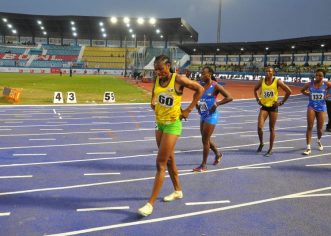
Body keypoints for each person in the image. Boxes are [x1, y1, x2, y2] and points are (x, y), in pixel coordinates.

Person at [138, 55, 204, 217]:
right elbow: (155, 92)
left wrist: (188, 110)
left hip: (173, 124)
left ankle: (150, 204)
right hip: (159, 123)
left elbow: (200, 89)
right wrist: (152, 102)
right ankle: (178, 191)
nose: (158, 72)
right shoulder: (157, 79)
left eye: (161, 69)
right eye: (156, 69)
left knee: (160, 163)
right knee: (169, 159)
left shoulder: (179, 79)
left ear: (169, 66)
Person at [193, 66, 233, 172]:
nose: (201, 75)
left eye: (203, 73)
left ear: (209, 74)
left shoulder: (216, 86)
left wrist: (217, 104)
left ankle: (204, 165)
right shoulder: (201, 86)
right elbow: (196, 96)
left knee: (205, 140)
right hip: (203, 114)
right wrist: (197, 105)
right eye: (201, 73)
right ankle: (218, 153)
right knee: (206, 139)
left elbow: (229, 97)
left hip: (212, 115)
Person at [254, 66, 292, 157]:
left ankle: (270, 149)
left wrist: (281, 102)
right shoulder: (262, 80)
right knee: (259, 127)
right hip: (264, 106)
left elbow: (289, 91)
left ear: (273, 72)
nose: (268, 72)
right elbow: (255, 89)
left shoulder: (277, 81)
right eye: (266, 71)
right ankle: (261, 143)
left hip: (273, 107)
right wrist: (257, 99)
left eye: (270, 71)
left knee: (271, 129)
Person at [301, 69, 331, 155]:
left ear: (323, 76)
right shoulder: (310, 84)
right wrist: (308, 94)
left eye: (320, 75)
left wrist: (327, 96)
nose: (317, 77)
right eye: (316, 75)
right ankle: (308, 147)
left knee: (320, 129)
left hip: (321, 108)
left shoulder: (326, 84)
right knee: (309, 127)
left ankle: (318, 140)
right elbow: (302, 91)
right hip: (311, 107)